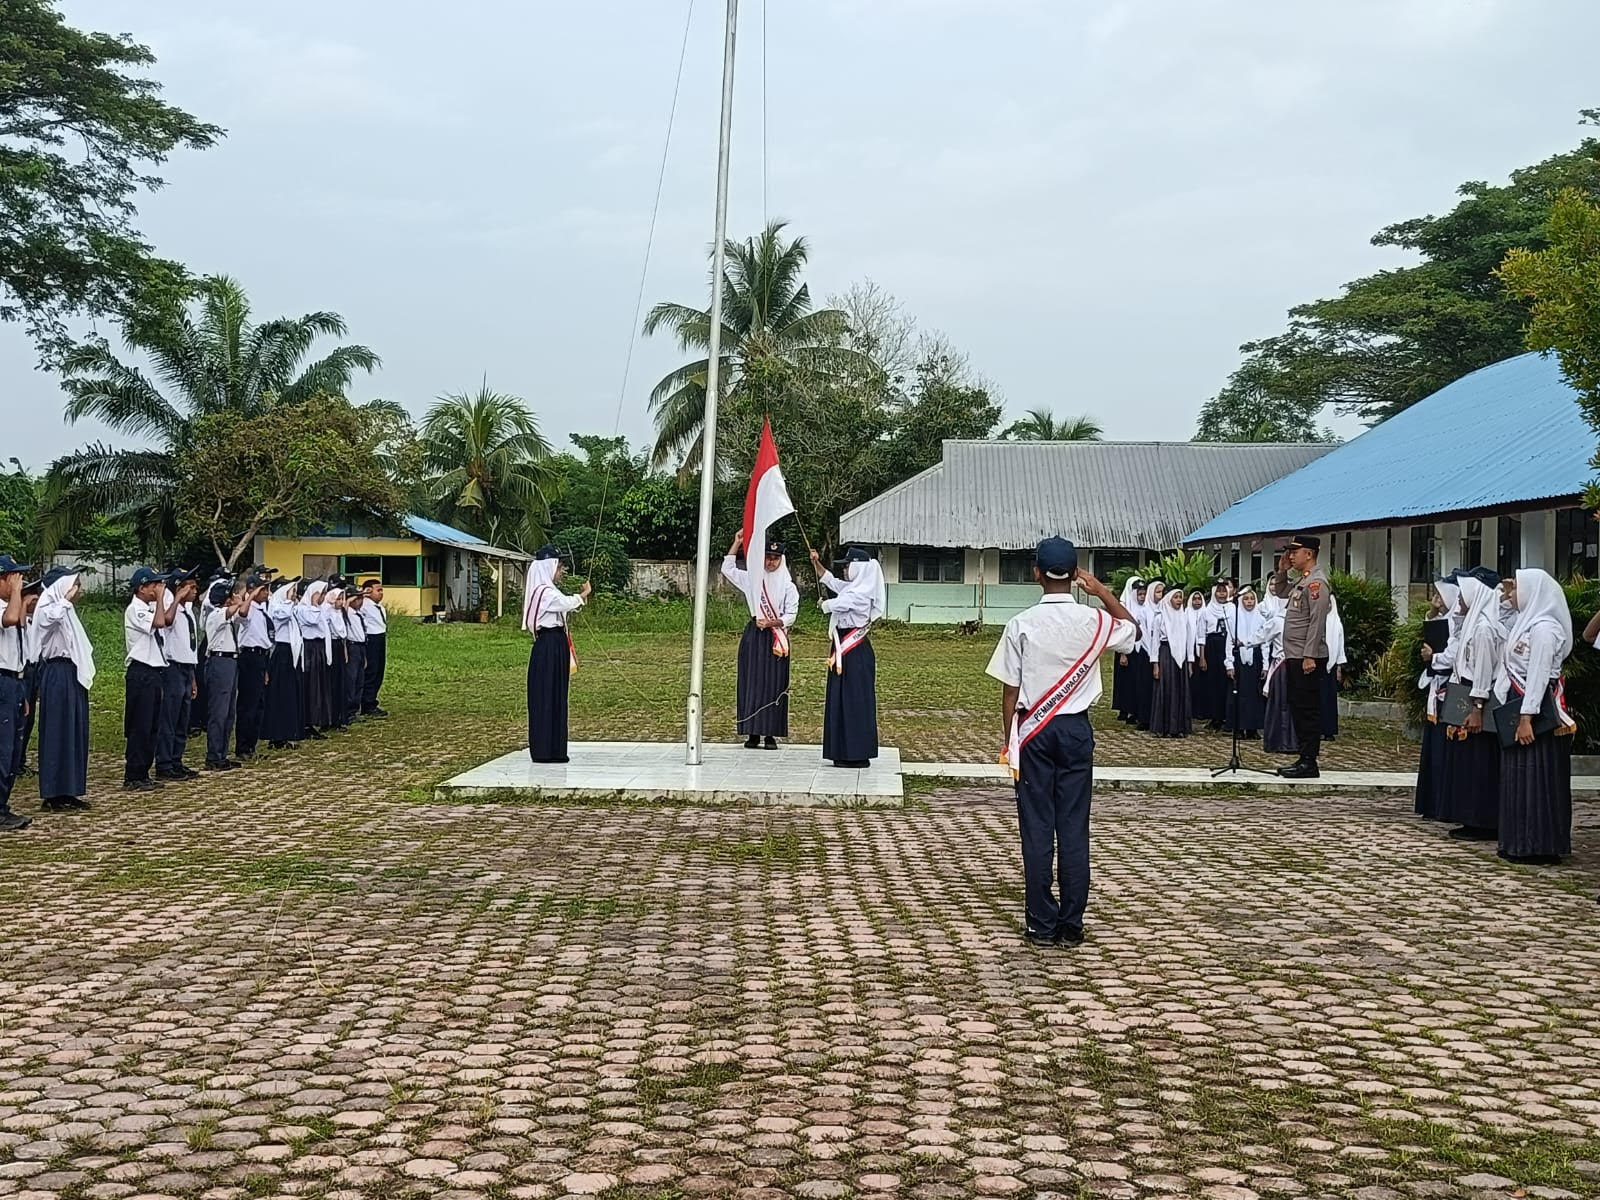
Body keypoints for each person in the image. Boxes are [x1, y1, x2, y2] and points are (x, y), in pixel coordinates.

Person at [986, 537, 1137, 946]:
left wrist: (1010, 741)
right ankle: (1071, 924)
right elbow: (1131, 632)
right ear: (1075, 575)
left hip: (1033, 730)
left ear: (1035, 573)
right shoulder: (1094, 621)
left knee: (1037, 828)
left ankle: (1041, 922)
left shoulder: (1021, 623)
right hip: (1075, 730)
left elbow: (1010, 691)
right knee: (1073, 826)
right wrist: (1102, 592)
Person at [1495, 569, 1575, 864]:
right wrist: (1505, 597)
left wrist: (1527, 717)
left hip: (1537, 710)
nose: (1512, 594)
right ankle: (1518, 840)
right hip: (1521, 704)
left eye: (1516, 589)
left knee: (1537, 775)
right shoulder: (1525, 624)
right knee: (1518, 775)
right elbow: (1501, 622)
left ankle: (1539, 844)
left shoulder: (1545, 629)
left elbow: (1540, 676)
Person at [1439, 571, 1505, 841]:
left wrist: (1476, 706)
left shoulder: (1484, 628)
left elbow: (1483, 670)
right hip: (1466, 691)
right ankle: (1469, 817)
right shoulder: (1472, 624)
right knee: (1467, 762)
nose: (1459, 600)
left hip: (1479, 697)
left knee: (1480, 763)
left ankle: (1482, 820)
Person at [810, 546, 887, 769]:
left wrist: (823, 604)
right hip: (842, 647)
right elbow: (830, 581)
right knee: (840, 699)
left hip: (854, 650)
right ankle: (841, 750)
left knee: (855, 701)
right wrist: (816, 562)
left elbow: (839, 603)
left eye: (847, 566)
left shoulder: (862, 593)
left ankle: (857, 752)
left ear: (860, 568)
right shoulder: (853, 587)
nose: (844, 570)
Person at [723, 531, 799, 749]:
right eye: (767, 557)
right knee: (752, 683)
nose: (770, 562)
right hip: (754, 636)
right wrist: (737, 542)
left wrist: (772, 623)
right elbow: (727, 569)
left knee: (774, 684)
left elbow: (791, 616)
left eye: (775, 558)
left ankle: (770, 735)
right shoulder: (753, 579)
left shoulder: (788, 586)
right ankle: (752, 733)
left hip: (776, 637)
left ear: (781, 560)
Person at [1270, 535, 1333, 778]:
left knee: (1308, 709)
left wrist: (1309, 656)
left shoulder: (1317, 583)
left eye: (1295, 552)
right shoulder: (1303, 582)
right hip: (1295, 655)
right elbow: (1281, 591)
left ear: (1309, 554)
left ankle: (1310, 761)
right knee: (1298, 706)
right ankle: (1303, 757)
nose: (1291, 555)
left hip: (1307, 657)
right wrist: (1282, 572)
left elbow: (1316, 623)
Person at [34, 568, 95, 812]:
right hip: (57, 671)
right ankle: (52, 792)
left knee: (74, 731)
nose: (78, 590)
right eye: (75, 585)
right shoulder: (49, 608)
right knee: (57, 731)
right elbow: (48, 621)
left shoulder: (66, 612)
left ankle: (70, 788)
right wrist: (64, 600)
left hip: (72, 672)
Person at [524, 545, 590, 763]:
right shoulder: (544, 593)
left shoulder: (548, 590)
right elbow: (565, 603)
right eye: (559, 567)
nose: (561, 571)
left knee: (557, 695)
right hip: (548, 644)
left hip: (557, 643)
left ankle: (556, 749)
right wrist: (583, 594)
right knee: (545, 696)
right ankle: (544, 750)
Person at [1415, 573, 1461, 820]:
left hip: (1450, 688)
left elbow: (1452, 654)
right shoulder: (1446, 618)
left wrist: (1434, 657)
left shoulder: (1461, 622)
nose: (1437, 599)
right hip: (1438, 686)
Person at [123, 566, 174, 791]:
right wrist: (162, 598)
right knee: (140, 725)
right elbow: (160, 622)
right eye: (154, 585)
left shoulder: (149, 607)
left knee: (153, 725)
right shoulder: (136, 609)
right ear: (142, 588)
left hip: (154, 671)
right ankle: (133, 774)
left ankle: (144, 771)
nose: (158, 589)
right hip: (141, 671)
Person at [155, 568, 201, 781]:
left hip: (186, 667)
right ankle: (164, 764)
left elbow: (190, 646)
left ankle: (176, 760)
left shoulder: (189, 610)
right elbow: (168, 622)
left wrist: (192, 678)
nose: (195, 590)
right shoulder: (170, 607)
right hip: (172, 667)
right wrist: (176, 600)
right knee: (170, 718)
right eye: (190, 586)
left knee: (183, 719)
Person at [0, 554, 34, 831]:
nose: (19, 582)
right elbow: (11, 619)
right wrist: (16, 594)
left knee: (11, 749)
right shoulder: (3, 606)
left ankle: (3, 805)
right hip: (1, 680)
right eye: (14, 577)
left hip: (13, 678)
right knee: (2, 748)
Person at [202, 576, 248, 771]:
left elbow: (243, 612)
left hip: (231, 661)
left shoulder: (228, 618)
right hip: (219, 661)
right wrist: (239, 600)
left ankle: (222, 752)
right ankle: (213, 755)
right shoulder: (216, 614)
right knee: (218, 711)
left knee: (229, 712)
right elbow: (233, 610)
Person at [262, 576, 304, 749]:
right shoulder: (277, 608)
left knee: (289, 694)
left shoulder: (290, 608)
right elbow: (282, 617)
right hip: (280, 653)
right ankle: (276, 734)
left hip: (291, 653)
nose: (294, 595)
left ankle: (287, 732)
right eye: (291, 591)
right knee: (279, 694)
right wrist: (287, 601)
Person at [234, 574, 273, 759]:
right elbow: (241, 614)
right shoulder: (248, 608)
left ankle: (251, 745)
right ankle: (243, 747)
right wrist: (249, 596)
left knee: (258, 704)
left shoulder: (262, 610)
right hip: (249, 655)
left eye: (266, 589)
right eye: (262, 589)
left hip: (261, 656)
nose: (266, 593)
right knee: (248, 704)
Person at [1149, 584, 1193, 738]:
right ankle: (1164, 727)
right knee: (1166, 690)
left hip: (1181, 657)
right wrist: (1155, 664)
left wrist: (1190, 662)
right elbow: (1155, 642)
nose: (1179, 600)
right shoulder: (1160, 617)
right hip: (1166, 654)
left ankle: (1179, 727)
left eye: (1181, 597)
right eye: (1176, 597)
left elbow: (1189, 640)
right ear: (1169, 599)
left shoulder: (1184, 616)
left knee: (1180, 691)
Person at [1226, 585, 1267, 739]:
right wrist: (1229, 663)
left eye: (1252, 599)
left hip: (1255, 658)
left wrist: (1265, 665)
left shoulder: (1261, 619)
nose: (1249, 602)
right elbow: (1229, 643)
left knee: (1254, 695)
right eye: (1246, 599)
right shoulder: (1234, 619)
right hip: (1239, 658)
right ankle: (1238, 727)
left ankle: (1252, 727)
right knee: (1238, 694)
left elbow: (1265, 643)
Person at [297, 579, 333, 739]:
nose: (322, 597)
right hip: (309, 648)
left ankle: (315, 719)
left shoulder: (319, 609)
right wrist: (313, 603)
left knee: (318, 685)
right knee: (310, 685)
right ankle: (305, 722)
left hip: (318, 648)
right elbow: (312, 620)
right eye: (320, 593)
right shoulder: (303, 609)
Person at [1111, 577, 1145, 723]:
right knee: (1125, 681)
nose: (1142, 596)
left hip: (1140, 649)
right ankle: (1124, 708)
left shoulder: (1145, 606)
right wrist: (1123, 653)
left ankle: (1135, 709)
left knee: (1136, 681)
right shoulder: (1123, 607)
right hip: (1125, 649)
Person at [1199, 584, 1232, 731]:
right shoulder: (1206, 611)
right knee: (1213, 683)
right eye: (1218, 591)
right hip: (1212, 645)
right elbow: (1201, 636)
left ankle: (1228, 716)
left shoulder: (1232, 609)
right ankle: (1215, 717)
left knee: (1227, 682)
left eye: (1224, 591)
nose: (1221, 594)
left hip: (1228, 643)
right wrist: (1202, 657)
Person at [1135, 580, 1164, 731]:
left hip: (1162, 652)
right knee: (1146, 686)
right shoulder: (1144, 611)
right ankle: (1144, 718)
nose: (1160, 595)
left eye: (1162, 592)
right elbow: (1144, 634)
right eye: (1158, 592)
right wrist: (1151, 650)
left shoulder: (1165, 609)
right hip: (1147, 652)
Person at [360, 579, 389, 717]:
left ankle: (372, 700)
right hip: (370, 638)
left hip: (380, 637)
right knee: (371, 671)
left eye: (382, 590)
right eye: (378, 590)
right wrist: (362, 594)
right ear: (369, 591)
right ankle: (367, 703)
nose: (381, 593)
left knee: (379, 670)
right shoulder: (363, 605)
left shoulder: (379, 607)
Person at [326, 580, 351, 731]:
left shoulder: (339, 613)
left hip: (340, 646)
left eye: (342, 599)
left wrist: (345, 651)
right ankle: (330, 718)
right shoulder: (326, 612)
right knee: (332, 683)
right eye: (338, 599)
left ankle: (341, 717)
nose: (341, 602)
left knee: (341, 682)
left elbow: (343, 634)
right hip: (331, 646)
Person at [343, 587, 367, 725]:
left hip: (361, 646)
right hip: (351, 646)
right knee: (351, 680)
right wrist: (348, 601)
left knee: (359, 680)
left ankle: (354, 709)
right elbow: (342, 614)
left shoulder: (359, 614)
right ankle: (348, 710)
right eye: (357, 598)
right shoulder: (347, 612)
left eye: (362, 598)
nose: (360, 601)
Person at [1186, 589, 1211, 723]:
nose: (1197, 602)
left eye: (1199, 599)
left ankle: (1203, 711)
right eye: (1194, 599)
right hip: (1190, 654)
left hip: (1204, 652)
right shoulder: (1186, 614)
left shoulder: (1206, 613)